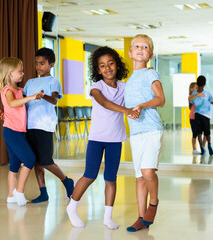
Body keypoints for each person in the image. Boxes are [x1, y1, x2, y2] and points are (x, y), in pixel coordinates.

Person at [66, 46, 139, 228]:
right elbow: (105, 103)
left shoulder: (124, 86)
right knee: (90, 175)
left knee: (110, 178)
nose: (107, 68)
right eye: (102, 65)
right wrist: (127, 111)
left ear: (117, 65)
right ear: (98, 70)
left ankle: (108, 217)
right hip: (97, 139)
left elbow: (136, 93)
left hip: (116, 139)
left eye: (111, 63)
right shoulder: (96, 87)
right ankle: (72, 206)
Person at [124, 34, 165, 232]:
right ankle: (141, 218)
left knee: (148, 172)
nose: (140, 49)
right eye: (137, 46)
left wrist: (141, 105)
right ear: (130, 52)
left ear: (150, 54)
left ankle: (154, 203)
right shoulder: (129, 80)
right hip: (136, 133)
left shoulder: (151, 73)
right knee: (140, 177)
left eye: (145, 47)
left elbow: (160, 99)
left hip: (152, 130)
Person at [24, 48, 74, 203]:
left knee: (46, 161)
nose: (39, 66)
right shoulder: (30, 82)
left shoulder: (54, 81)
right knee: (37, 162)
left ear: (51, 64)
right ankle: (43, 192)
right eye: (36, 63)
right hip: (29, 125)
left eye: (42, 63)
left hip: (44, 126)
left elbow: (54, 100)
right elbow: (23, 101)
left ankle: (67, 181)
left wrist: (42, 95)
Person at [0, 57, 44, 206]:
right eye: (20, 71)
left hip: (17, 132)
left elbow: (12, 107)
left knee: (14, 165)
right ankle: (19, 191)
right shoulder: (7, 89)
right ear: (10, 74)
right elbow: (12, 103)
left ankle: (11, 196)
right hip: (12, 132)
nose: (23, 73)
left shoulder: (19, 90)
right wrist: (31, 98)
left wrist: (4, 111)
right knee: (29, 159)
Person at [190, 75, 213, 156]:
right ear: (204, 84)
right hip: (206, 116)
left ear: (197, 83)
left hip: (197, 115)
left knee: (199, 133)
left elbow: (190, 104)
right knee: (207, 133)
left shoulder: (194, 94)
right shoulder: (207, 94)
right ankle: (209, 144)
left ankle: (201, 147)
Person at [188, 82, 202, 154]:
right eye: (196, 88)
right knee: (194, 134)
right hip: (193, 117)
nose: (197, 89)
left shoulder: (198, 96)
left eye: (197, 88)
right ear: (191, 89)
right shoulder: (191, 96)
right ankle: (194, 149)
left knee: (200, 133)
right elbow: (191, 98)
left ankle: (202, 148)